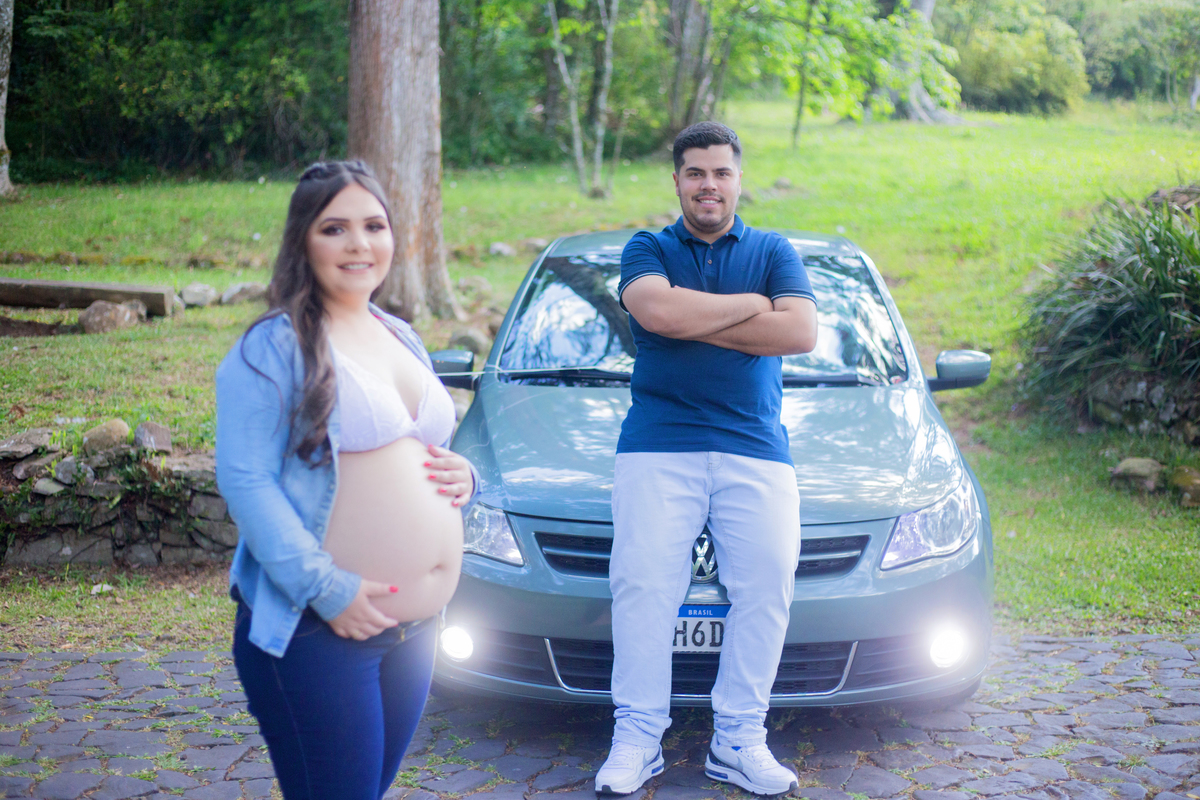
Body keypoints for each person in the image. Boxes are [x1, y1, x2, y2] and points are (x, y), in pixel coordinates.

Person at [215, 160, 477, 800]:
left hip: (415, 632)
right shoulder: (272, 346)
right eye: (335, 228)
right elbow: (246, 480)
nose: (359, 244)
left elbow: (420, 447)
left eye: (374, 226)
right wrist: (325, 589)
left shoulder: (399, 334)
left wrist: (465, 476)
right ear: (303, 240)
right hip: (322, 630)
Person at [596, 122, 818, 797]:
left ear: (738, 179)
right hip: (658, 444)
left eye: (721, 172)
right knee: (643, 589)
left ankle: (739, 740)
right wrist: (750, 310)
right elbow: (657, 315)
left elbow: (799, 331)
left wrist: (692, 318)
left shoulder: (774, 250)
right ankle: (637, 738)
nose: (708, 185)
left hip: (756, 446)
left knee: (767, 587)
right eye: (695, 173)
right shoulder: (648, 247)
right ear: (677, 181)